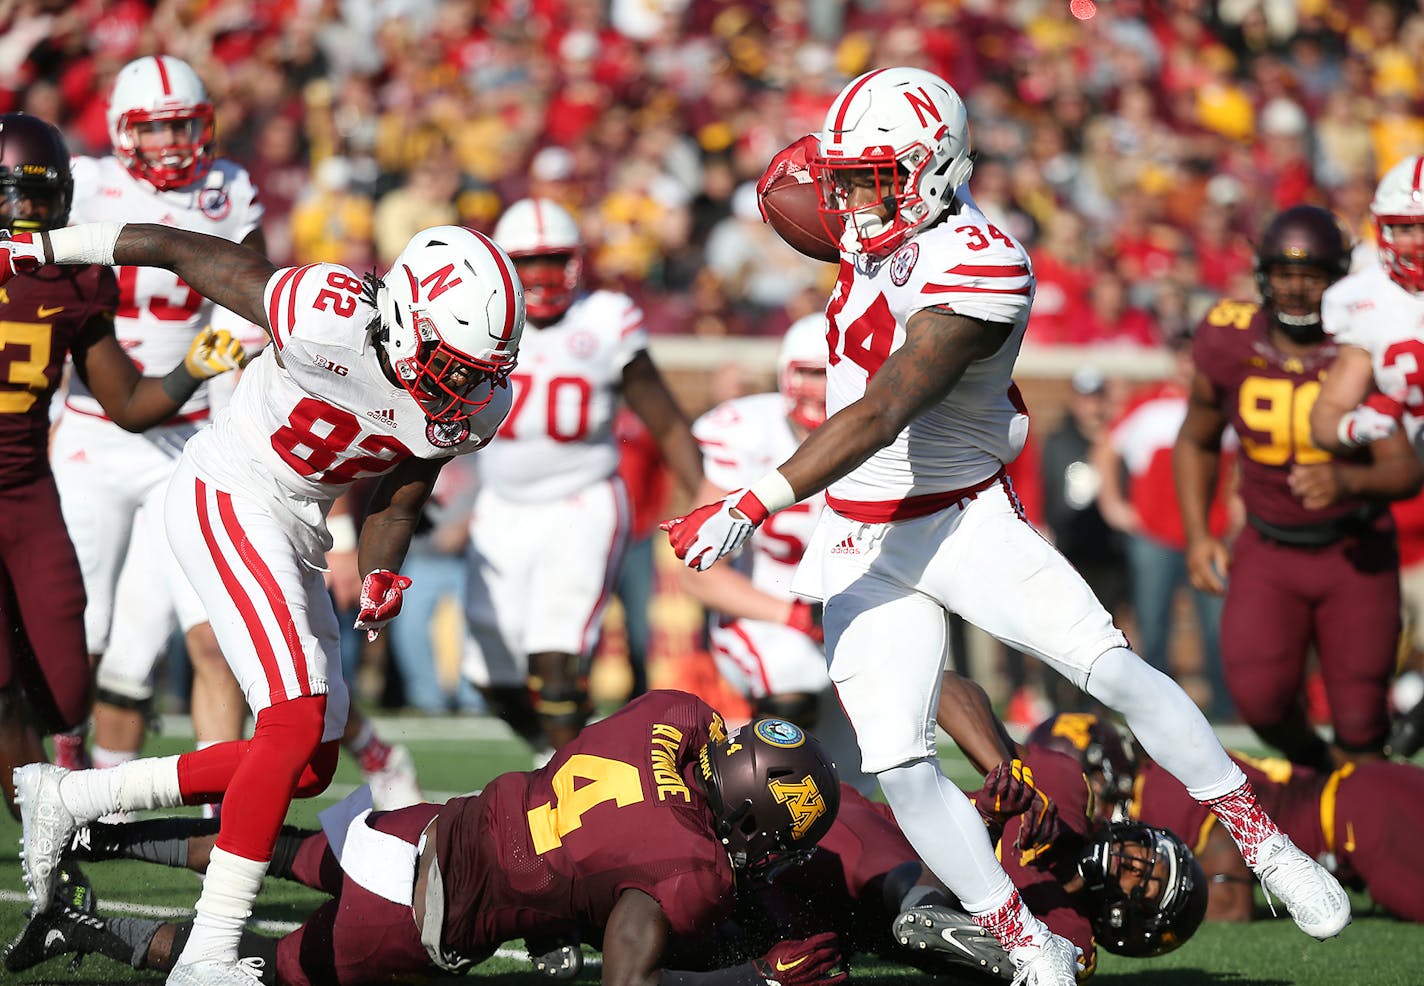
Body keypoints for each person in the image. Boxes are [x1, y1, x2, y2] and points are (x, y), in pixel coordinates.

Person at [662, 66, 1351, 986]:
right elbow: (800, 190)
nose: (854, 203)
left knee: (1112, 670)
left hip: (958, 522)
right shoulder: (881, 207)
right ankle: (1025, 944)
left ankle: (1261, 837)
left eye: (873, 179)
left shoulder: (982, 264)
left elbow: (881, 413)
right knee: (902, 767)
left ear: (936, 170)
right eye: (848, 180)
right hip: (858, 538)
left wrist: (750, 503)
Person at [1, 216, 526, 986]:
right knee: (291, 722)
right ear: (407, 315)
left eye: (483, 369)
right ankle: (209, 950)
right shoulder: (325, 310)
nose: (467, 385)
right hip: (231, 490)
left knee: (307, 765)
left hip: (300, 527)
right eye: (454, 362)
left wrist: (381, 573)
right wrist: (47, 248)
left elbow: (399, 503)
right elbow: (177, 249)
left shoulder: (472, 404)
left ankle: (74, 795)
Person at [5, 691, 846, 986]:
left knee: (291, 848)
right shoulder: (690, 865)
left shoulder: (672, 716)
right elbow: (630, 977)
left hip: (430, 825)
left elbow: (626, 810)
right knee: (257, 972)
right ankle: (76, 929)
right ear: (746, 816)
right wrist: (751, 980)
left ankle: (91, 842)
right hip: (421, 914)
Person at [0, 112, 245, 817]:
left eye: (43, 199)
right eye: (15, 196)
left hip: (23, 490)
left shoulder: (72, 279)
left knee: (67, 691)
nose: (30, 215)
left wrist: (190, 372)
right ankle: (44, 836)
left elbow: (129, 402)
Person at [49, 55, 260, 780]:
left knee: (210, 637)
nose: (173, 142)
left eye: (184, 125)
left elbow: (254, 305)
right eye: (156, 126)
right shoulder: (84, 185)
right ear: (120, 131)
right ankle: (78, 780)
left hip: (187, 434)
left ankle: (215, 816)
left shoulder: (226, 190)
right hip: (89, 428)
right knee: (85, 635)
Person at [1174, 204, 1421, 770]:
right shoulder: (1228, 337)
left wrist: (1347, 478)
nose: (1296, 290)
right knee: (1260, 701)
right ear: (1263, 275)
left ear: (1339, 280)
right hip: (1268, 546)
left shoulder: (1364, 341)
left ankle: (1358, 819)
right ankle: (1318, 768)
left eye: (1312, 276)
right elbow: (1197, 438)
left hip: (1353, 548)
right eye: (1285, 275)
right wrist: (1198, 534)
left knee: (1361, 718)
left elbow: (1406, 470)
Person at [462, 197, 704, 758]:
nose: (543, 277)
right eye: (529, 263)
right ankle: (555, 757)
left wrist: (708, 497)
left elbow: (664, 418)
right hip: (500, 507)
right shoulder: (476, 320)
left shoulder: (607, 319)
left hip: (583, 500)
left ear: (576, 262)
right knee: (490, 674)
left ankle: (565, 783)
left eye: (554, 260)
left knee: (558, 657)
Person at [680, 314, 869, 790]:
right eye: (808, 371)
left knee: (856, 779)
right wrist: (792, 615)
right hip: (761, 609)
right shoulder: (746, 433)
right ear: (785, 373)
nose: (819, 385)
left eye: (829, 372)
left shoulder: (876, 433)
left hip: (848, 608)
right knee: (792, 683)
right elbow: (697, 571)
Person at [1033, 711, 1424, 926]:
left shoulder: (1162, 792)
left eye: (1082, 785)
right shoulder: (1155, 776)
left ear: (1106, 769)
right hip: (1364, 803)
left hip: (1363, 822)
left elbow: (1230, 901)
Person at [1092, 333, 1233, 720]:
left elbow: (1240, 464)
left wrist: (1237, 506)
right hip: (1153, 535)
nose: (1191, 366)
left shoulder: (1225, 405)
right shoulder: (1146, 404)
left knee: (1217, 631)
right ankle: (1153, 712)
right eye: (1185, 358)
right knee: (1152, 627)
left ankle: (1224, 710)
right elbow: (1106, 449)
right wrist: (1113, 505)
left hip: (1209, 536)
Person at [1309, 155, 1424, 457]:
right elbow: (1325, 419)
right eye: (1406, 229)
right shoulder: (1362, 298)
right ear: (1383, 230)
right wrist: (1354, 427)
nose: (1419, 241)